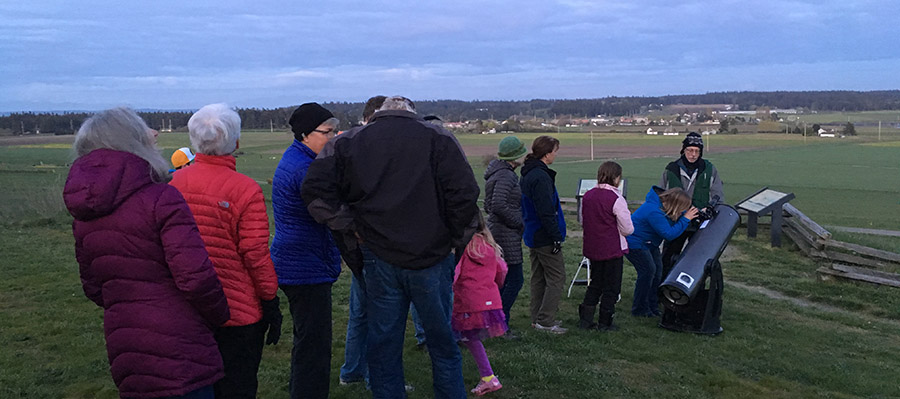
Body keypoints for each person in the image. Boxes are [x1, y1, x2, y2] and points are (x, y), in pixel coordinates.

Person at [302, 96, 480, 399]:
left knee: (383, 346)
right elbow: (465, 195)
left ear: (379, 115)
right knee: (442, 343)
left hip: (377, 256)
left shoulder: (349, 142)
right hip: (431, 256)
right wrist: (454, 240)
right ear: (412, 114)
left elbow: (315, 192)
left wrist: (351, 224)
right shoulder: (438, 137)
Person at [63, 107, 230, 399]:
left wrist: (128, 303)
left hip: (125, 340)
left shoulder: (84, 211)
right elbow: (195, 278)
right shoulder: (161, 198)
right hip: (180, 340)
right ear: (135, 143)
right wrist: (219, 316)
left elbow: (93, 286)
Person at [169, 103, 281, 399]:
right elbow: (255, 254)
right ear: (236, 143)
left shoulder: (173, 184)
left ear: (194, 143)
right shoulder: (245, 189)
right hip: (238, 309)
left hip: (189, 305)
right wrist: (270, 300)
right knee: (238, 387)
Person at [271, 102, 342, 399]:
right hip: (304, 266)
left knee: (308, 340)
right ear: (304, 135)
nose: (333, 137)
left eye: (335, 131)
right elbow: (333, 212)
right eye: (327, 132)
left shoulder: (297, 159)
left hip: (298, 260)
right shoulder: (305, 169)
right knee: (314, 346)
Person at [338, 95, 386, 388]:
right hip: (371, 240)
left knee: (360, 311)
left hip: (358, 242)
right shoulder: (365, 147)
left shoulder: (349, 144)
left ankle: (352, 371)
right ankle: (374, 377)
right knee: (378, 313)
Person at [451, 213, 508, 396]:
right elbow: (502, 270)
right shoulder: (490, 246)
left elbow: (455, 273)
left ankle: (486, 377)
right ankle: (486, 376)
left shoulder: (463, 247)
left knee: (461, 337)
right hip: (489, 300)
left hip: (467, 300)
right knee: (469, 337)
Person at [577, 161, 634, 331]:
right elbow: (627, 228)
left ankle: (586, 320)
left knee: (595, 283)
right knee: (611, 287)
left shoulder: (588, 196)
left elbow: (582, 219)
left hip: (593, 246)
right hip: (612, 248)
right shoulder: (616, 198)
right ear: (617, 178)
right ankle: (605, 322)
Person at [626, 187, 698, 317]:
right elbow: (668, 234)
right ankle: (640, 309)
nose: (683, 211)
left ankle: (653, 306)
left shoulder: (662, 205)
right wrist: (686, 219)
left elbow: (676, 214)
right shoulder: (653, 211)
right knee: (648, 273)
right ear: (675, 204)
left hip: (649, 244)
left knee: (657, 273)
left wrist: (693, 213)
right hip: (635, 244)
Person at [520, 135, 567, 334]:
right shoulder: (540, 177)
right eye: (555, 151)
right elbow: (546, 210)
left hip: (532, 232)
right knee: (557, 277)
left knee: (539, 277)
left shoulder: (528, 173)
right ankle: (546, 321)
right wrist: (555, 236)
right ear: (547, 154)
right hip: (543, 234)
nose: (556, 154)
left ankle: (536, 318)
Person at [659, 132, 724, 274]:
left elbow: (718, 194)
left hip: (699, 222)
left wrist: (710, 207)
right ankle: (663, 287)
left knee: (698, 258)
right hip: (675, 221)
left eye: (696, 151)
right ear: (683, 150)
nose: (693, 154)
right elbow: (661, 194)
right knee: (668, 257)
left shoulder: (709, 169)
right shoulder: (671, 169)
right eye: (689, 150)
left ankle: (694, 289)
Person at [483, 135, 527, 338]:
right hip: (505, 234)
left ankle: (493, 322)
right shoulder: (506, 176)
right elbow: (498, 205)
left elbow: (488, 204)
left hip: (497, 230)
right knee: (514, 280)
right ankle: (499, 325)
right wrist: (519, 221)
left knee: (503, 280)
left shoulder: (496, 173)